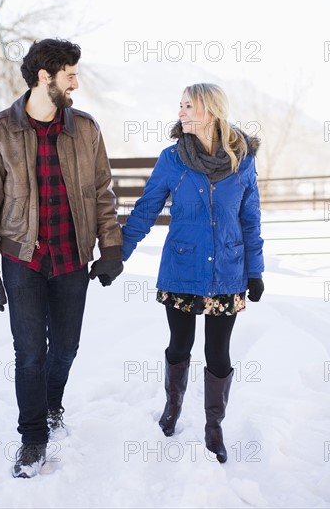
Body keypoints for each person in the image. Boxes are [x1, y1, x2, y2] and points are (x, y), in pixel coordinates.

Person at [0, 39, 123, 478]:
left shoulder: (86, 129)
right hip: (24, 261)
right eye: (70, 75)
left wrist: (110, 249)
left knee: (66, 350)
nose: (76, 83)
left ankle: (52, 405)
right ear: (44, 77)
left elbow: (102, 195)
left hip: (73, 257)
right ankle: (33, 438)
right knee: (30, 353)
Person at [122, 83, 264, 463]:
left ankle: (213, 426)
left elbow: (250, 220)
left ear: (211, 111)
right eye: (180, 105)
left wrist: (256, 271)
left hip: (229, 273)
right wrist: (117, 253)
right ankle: (173, 407)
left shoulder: (243, 160)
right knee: (180, 344)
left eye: (188, 106)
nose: (180, 112)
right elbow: (146, 209)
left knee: (218, 352)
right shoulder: (172, 159)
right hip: (182, 269)